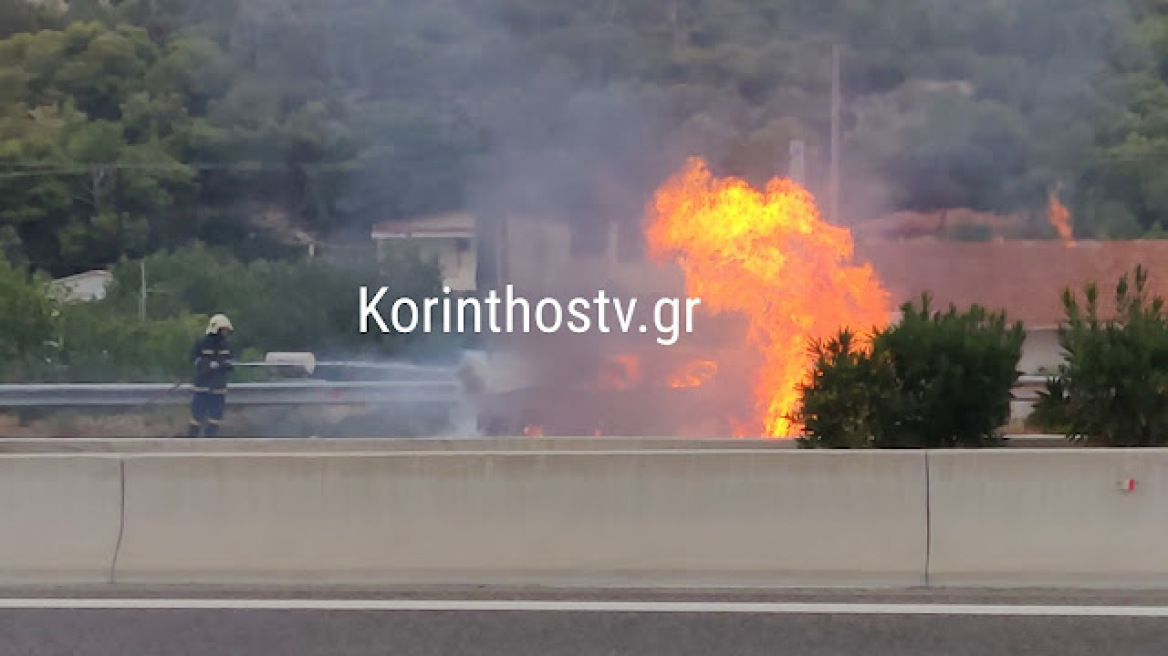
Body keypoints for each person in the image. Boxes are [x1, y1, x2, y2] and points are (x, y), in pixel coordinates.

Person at [188, 313, 235, 437]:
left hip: (218, 386)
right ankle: (191, 439)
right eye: (224, 330)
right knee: (197, 414)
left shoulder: (227, 345)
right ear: (216, 329)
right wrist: (208, 364)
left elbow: (232, 362)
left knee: (216, 415)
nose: (226, 332)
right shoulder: (202, 344)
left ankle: (210, 439)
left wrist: (227, 365)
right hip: (202, 385)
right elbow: (194, 359)